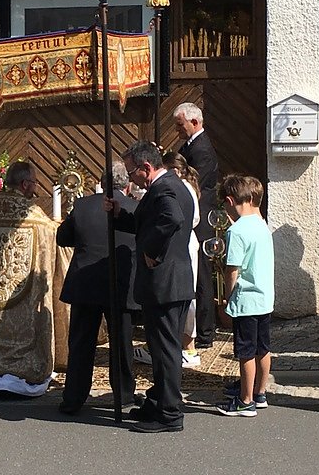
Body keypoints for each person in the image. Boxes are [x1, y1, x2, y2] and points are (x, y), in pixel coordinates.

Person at [104, 141, 195, 433]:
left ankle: (169, 413)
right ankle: (159, 400)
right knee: (160, 347)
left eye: (132, 172)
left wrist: (152, 251)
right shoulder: (171, 184)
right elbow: (149, 223)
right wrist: (120, 214)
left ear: (146, 168)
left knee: (166, 350)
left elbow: (172, 218)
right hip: (173, 281)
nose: (130, 178)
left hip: (165, 281)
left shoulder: (165, 188)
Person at [0, 161, 59, 395]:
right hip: (20, 291)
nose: (35, 188)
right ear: (25, 184)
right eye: (35, 183)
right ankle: (22, 363)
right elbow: (51, 235)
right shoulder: (32, 214)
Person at [57, 162, 140, 414]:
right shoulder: (135, 208)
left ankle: (73, 397)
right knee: (121, 343)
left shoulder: (82, 206)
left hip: (87, 282)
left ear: (102, 183)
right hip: (120, 284)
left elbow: (62, 237)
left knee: (82, 343)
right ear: (127, 185)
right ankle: (124, 394)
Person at [215, 175, 274, 417]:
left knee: (245, 352)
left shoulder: (236, 231)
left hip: (246, 300)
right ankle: (260, 393)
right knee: (263, 348)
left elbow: (233, 269)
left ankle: (245, 400)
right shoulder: (262, 224)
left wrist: (228, 296)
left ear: (230, 201)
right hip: (264, 297)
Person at [174, 102, 219, 348]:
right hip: (195, 215)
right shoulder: (190, 144)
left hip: (200, 217)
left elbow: (194, 183)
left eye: (180, 125)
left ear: (194, 122)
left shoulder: (201, 149)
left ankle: (205, 332)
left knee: (202, 275)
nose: (178, 130)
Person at [163, 151, 202, 368]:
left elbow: (192, 218)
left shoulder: (184, 188)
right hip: (184, 243)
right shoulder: (181, 187)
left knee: (187, 294)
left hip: (185, 243)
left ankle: (188, 344)